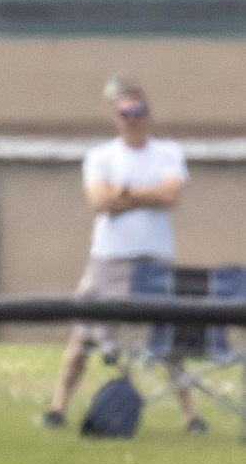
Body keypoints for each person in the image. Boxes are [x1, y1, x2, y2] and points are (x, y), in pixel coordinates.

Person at [44, 83, 204, 432]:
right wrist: (144, 195)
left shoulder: (167, 153)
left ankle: (191, 416)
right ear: (117, 117)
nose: (132, 120)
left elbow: (171, 195)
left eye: (138, 112)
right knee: (83, 336)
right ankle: (57, 408)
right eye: (125, 113)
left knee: (167, 341)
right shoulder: (101, 156)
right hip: (109, 260)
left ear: (147, 115)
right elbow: (100, 202)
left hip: (155, 261)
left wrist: (125, 193)